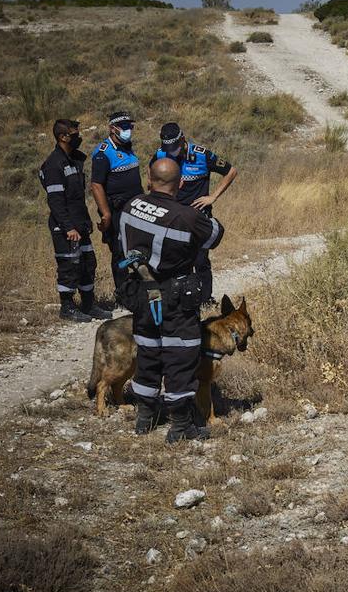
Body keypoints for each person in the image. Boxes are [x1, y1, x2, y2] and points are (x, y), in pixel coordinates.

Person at [121, 157, 225, 443]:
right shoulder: (186, 216)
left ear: (149, 179)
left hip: (141, 292)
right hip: (175, 296)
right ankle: (180, 425)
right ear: (180, 183)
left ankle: (145, 417)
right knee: (180, 355)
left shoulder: (131, 205)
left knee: (148, 352)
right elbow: (215, 235)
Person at [150, 122, 238, 305]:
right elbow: (152, 174)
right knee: (176, 259)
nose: (171, 152)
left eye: (174, 148)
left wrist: (212, 197)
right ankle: (180, 297)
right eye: (168, 148)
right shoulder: (161, 154)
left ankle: (205, 299)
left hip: (198, 218)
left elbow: (231, 171)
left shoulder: (202, 155)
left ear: (183, 139)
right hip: (172, 217)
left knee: (200, 260)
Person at [38, 119, 112, 322]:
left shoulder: (75, 160)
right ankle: (67, 307)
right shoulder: (54, 165)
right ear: (63, 137)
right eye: (74, 134)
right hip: (66, 227)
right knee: (69, 265)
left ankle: (88, 304)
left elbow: (77, 197)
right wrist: (68, 227)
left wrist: (86, 223)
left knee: (88, 263)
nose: (78, 137)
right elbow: (56, 201)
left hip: (81, 223)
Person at [90, 111, 144, 303]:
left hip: (136, 208)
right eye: (125, 127)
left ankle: (138, 287)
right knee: (121, 252)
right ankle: (123, 295)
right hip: (117, 210)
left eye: (131, 126)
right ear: (113, 128)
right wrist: (105, 213)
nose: (130, 130)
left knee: (139, 248)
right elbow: (96, 185)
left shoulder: (127, 147)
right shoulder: (103, 153)